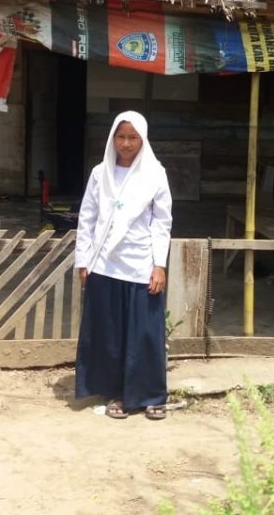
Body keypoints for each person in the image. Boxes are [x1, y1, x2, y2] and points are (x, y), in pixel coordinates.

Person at [74, 110, 173, 421]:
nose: (126, 143)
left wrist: (159, 265)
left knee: (145, 333)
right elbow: (87, 219)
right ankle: (116, 394)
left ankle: (152, 396)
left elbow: (162, 223)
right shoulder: (99, 173)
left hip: (141, 263)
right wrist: (83, 259)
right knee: (110, 334)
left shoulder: (156, 174)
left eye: (132, 137)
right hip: (104, 265)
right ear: (112, 138)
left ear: (142, 139)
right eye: (121, 136)